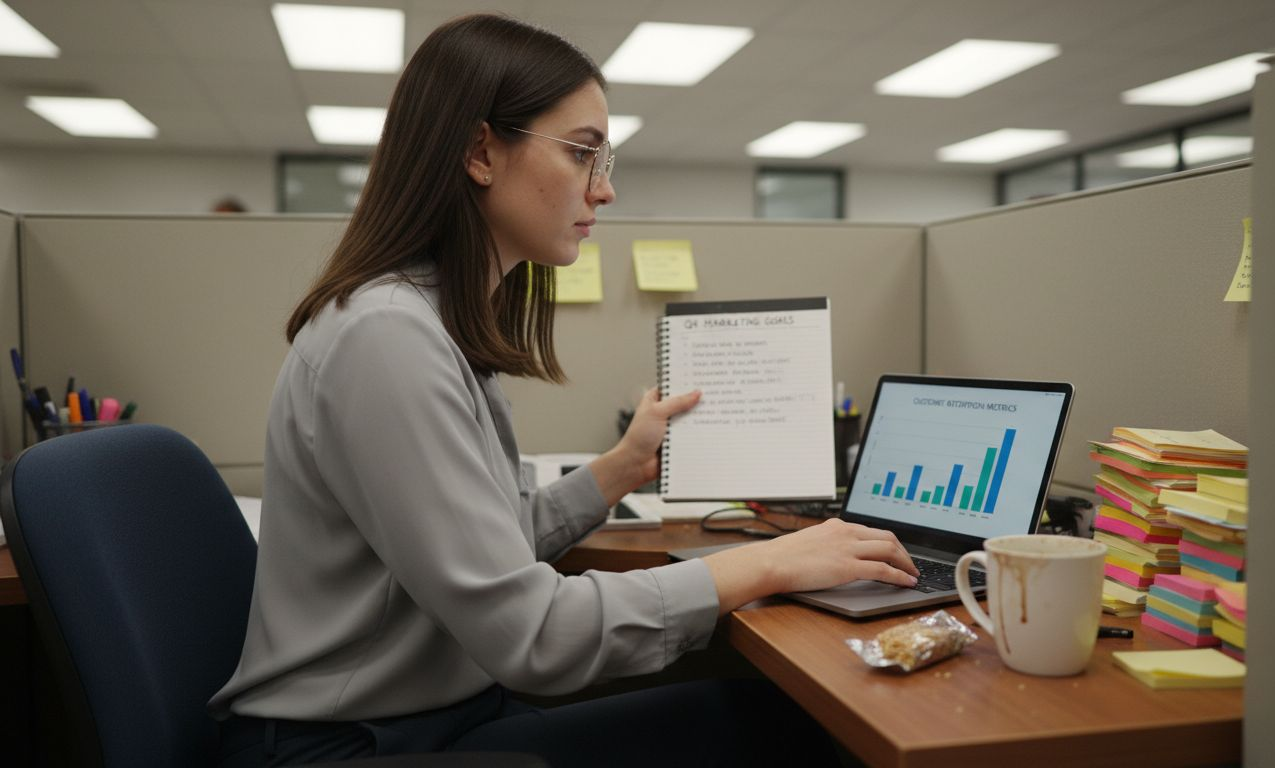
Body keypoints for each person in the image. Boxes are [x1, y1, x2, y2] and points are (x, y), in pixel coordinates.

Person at [209, 13, 920, 767]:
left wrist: (622, 467)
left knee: (765, 718)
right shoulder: (385, 338)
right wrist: (770, 562)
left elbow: (495, 548)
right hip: (350, 746)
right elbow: (533, 633)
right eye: (583, 153)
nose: (603, 190)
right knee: (777, 731)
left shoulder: (427, 320)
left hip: (435, 716)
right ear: (480, 152)